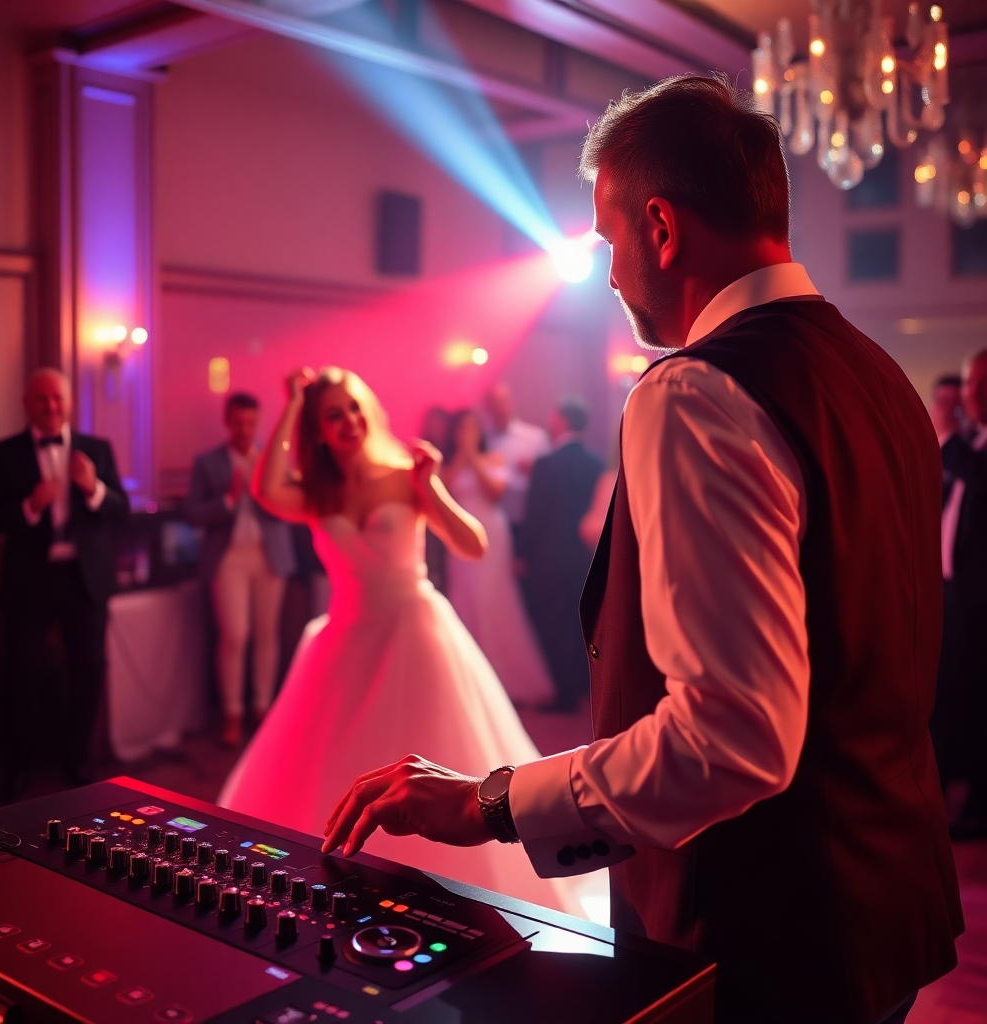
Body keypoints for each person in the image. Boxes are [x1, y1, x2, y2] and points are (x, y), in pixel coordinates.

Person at [322, 76, 962, 1024]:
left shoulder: (693, 393)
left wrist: (490, 803)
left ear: (660, 228)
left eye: (607, 240)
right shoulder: (881, 376)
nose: (612, 272)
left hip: (763, 938)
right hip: (883, 913)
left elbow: (731, 736)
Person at [218, 367, 587, 916]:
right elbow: (264, 488)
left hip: (415, 633)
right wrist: (294, 399)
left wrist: (431, 485)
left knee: (429, 751)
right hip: (343, 639)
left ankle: (449, 888)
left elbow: (473, 545)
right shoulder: (317, 494)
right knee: (330, 767)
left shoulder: (404, 474)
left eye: (356, 407)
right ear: (316, 430)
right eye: (334, 413)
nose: (350, 420)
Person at [0, 368, 129, 791]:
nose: (51, 406)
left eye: (58, 398)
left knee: (90, 667)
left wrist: (93, 487)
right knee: (20, 669)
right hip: (29, 579)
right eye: (42, 399)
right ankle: (20, 763)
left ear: (70, 402)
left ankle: (76, 757)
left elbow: (121, 509)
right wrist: (30, 505)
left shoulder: (96, 448)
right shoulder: (2, 453)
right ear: (27, 404)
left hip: (83, 578)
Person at [186, 392, 296, 747]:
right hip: (228, 557)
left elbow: (290, 510)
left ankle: (261, 707)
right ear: (227, 421)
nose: (244, 429)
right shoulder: (208, 462)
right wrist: (230, 500)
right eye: (237, 422)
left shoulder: (272, 458)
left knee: (267, 633)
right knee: (234, 634)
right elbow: (193, 514)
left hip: (269, 555)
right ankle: (232, 712)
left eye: (250, 422)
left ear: (258, 421)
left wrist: (263, 492)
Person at [441, 409, 554, 707]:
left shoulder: (493, 460)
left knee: (492, 599)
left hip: (490, 533)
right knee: (464, 599)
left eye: (472, 428)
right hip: (458, 536)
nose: (467, 433)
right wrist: (459, 457)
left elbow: (495, 492)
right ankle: (467, 681)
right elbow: (445, 493)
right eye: (461, 429)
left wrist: (472, 455)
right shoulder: (449, 463)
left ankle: (506, 681)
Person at [933, 351, 987, 840]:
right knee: (948, 694)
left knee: (971, 700)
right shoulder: (967, 451)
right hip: (953, 594)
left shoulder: (971, 453)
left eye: (977, 384)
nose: (972, 394)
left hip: (978, 602)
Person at [519, 398, 604, 711]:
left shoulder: (546, 464)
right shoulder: (595, 463)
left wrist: (523, 553)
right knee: (581, 622)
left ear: (562, 421)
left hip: (549, 557)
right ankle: (584, 686)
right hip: (584, 556)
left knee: (554, 625)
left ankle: (565, 696)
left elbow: (535, 515)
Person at [484, 381, 549, 543]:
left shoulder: (535, 437)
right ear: (488, 407)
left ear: (511, 402)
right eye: (494, 403)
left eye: (503, 401)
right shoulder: (483, 441)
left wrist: (535, 470)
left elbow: (551, 479)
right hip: (493, 520)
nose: (500, 408)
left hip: (528, 520)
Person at [418, 405, 452, 594]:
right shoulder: (422, 453)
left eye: (440, 422)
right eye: (433, 422)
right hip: (430, 515)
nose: (436, 427)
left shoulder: (452, 452)